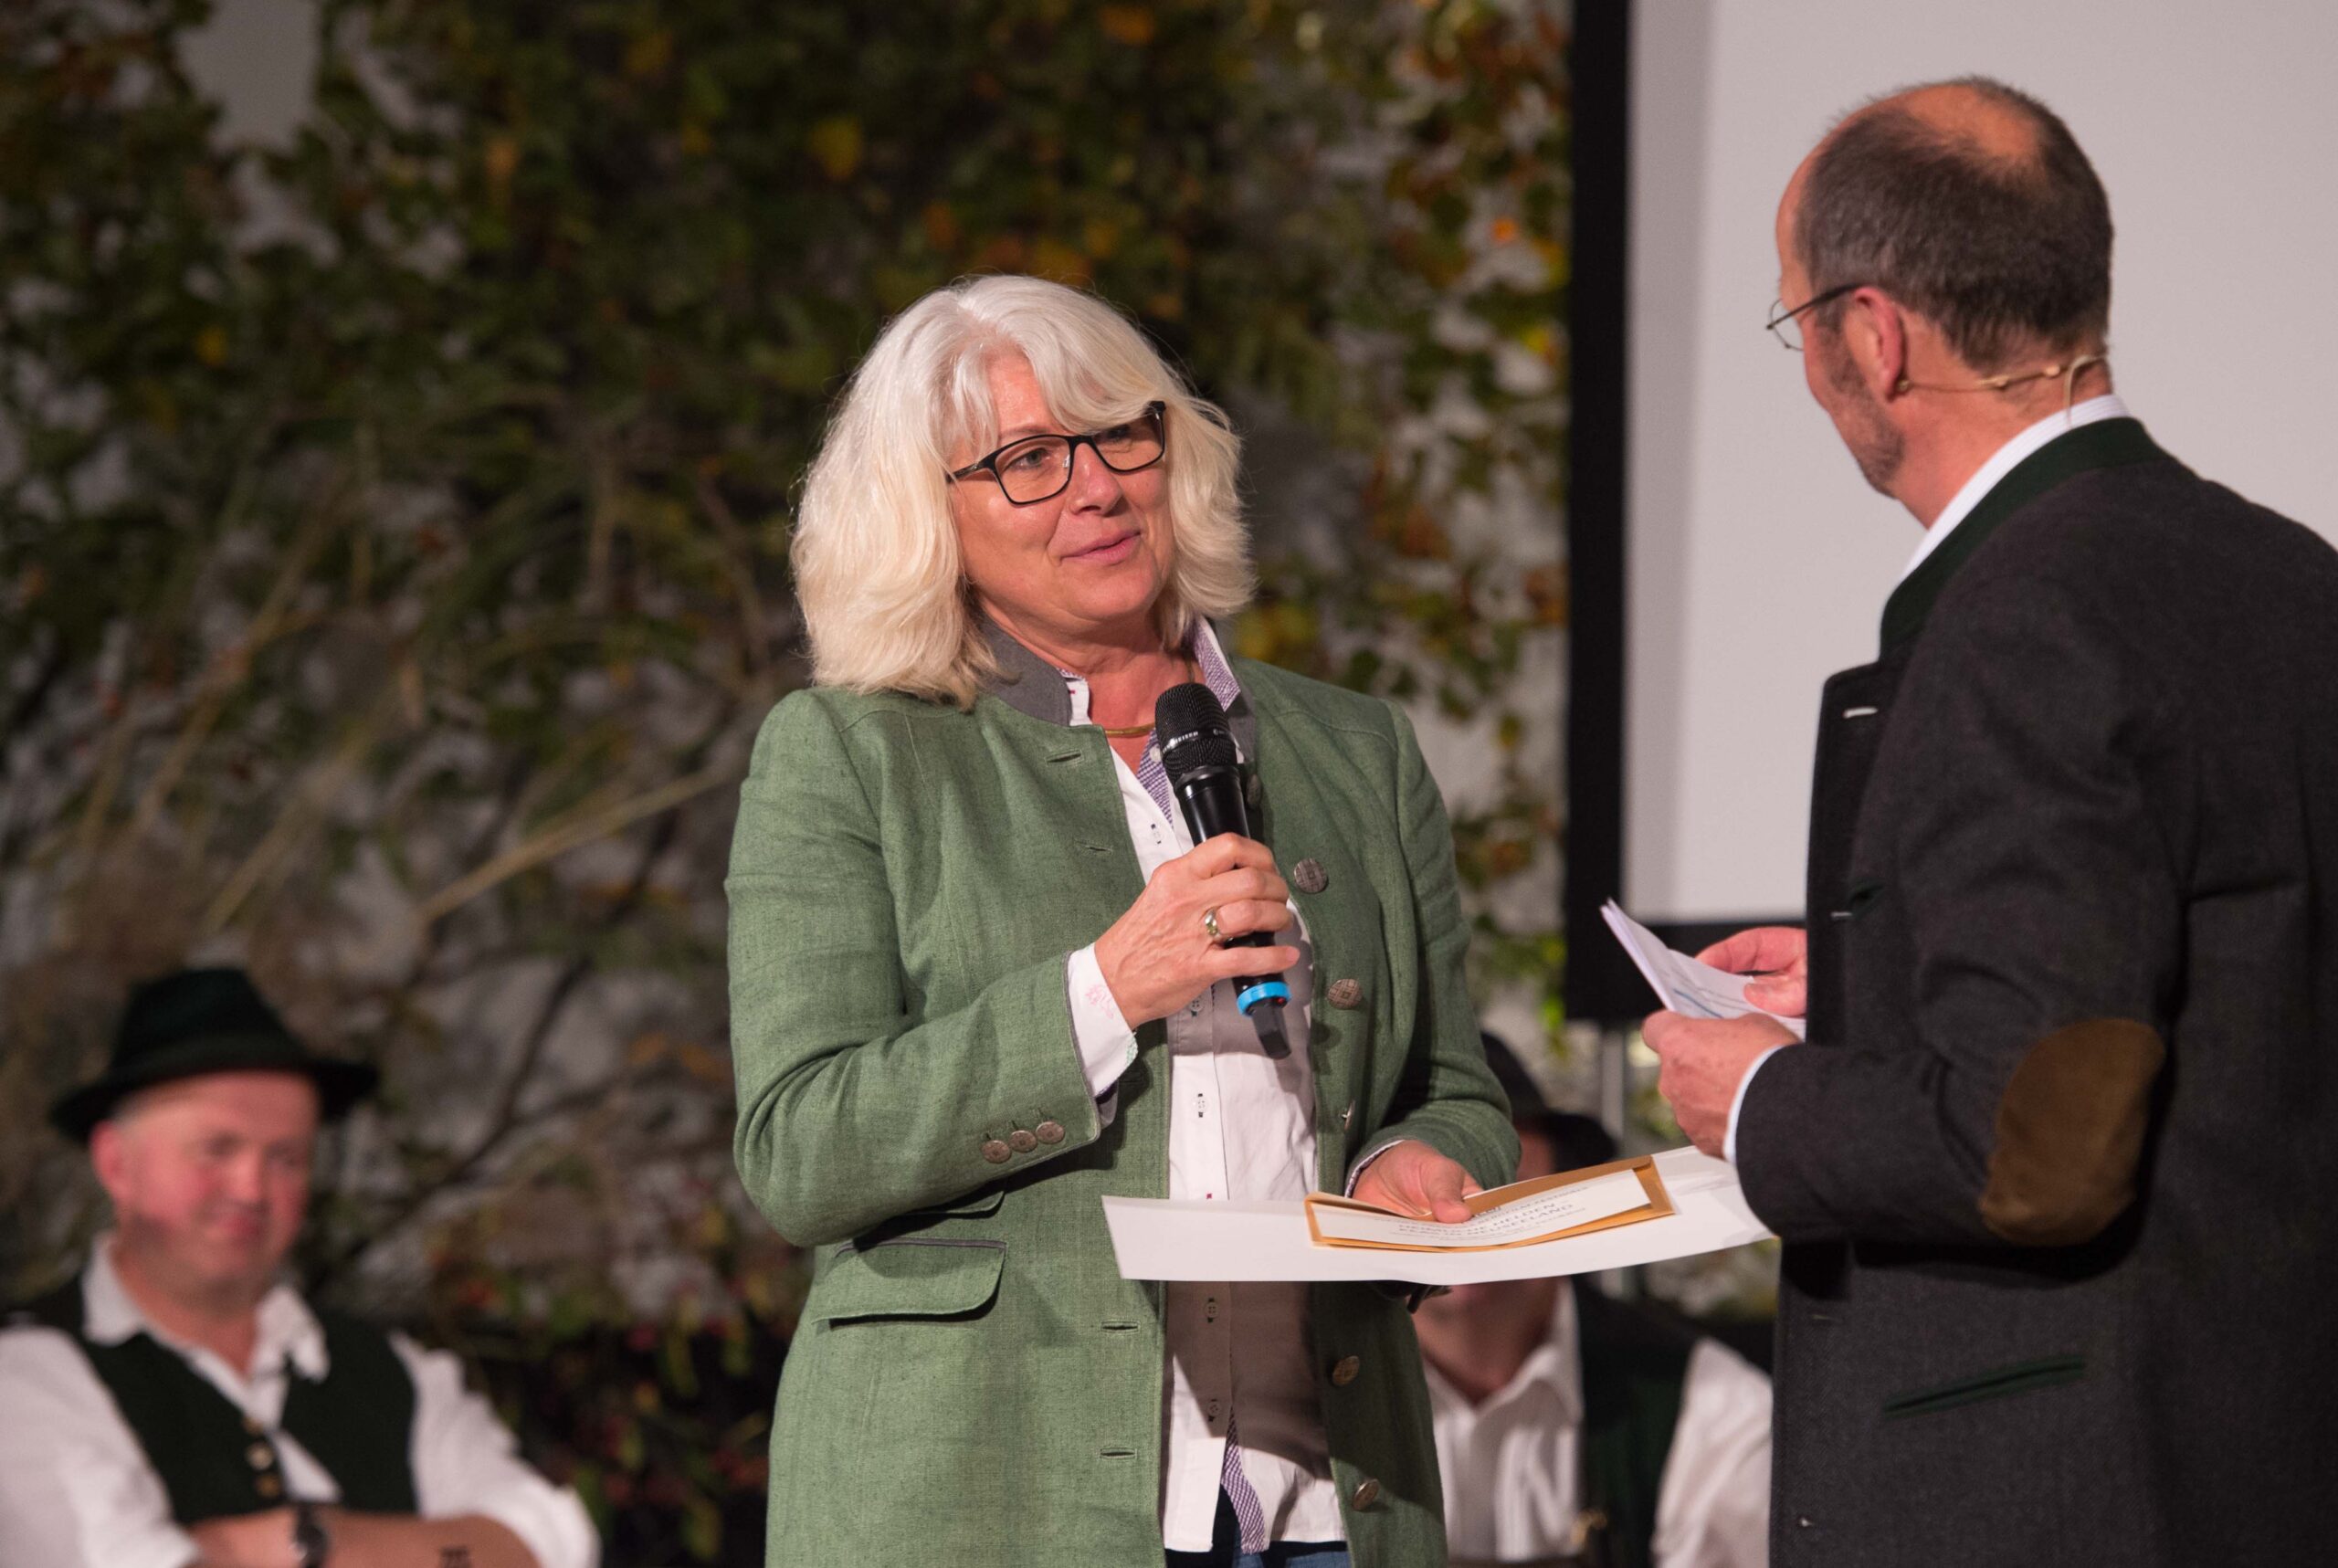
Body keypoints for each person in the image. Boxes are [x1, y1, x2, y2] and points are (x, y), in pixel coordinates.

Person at [1642, 77, 2338, 1566]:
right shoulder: (2292, 579)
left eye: (1797, 324)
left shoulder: (2017, 615)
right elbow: (2225, 996)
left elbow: (2039, 1151)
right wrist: (1889, 997)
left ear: (1874, 335)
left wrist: (1765, 1101)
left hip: (2061, 1494)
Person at [726, 273, 1517, 1568]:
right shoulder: (851, 755)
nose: (1096, 486)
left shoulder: (1353, 749)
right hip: (986, 1505)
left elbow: (1451, 1088)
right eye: (1028, 459)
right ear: (927, 514)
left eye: (1119, 435)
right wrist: (1103, 989)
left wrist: (1412, 1165)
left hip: (1326, 1502)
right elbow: (802, 1149)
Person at [0, 968, 598, 1568]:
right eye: (218, 1149)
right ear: (116, 1163)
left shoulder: (395, 1373)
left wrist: (304, 1540)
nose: (252, 1188)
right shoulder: (25, 1374)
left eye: (286, 1157)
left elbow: (545, 1540)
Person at [1416, 1036, 1769, 1568]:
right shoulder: (1294, 1397)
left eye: (1491, 1148)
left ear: (1559, 1179)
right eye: (1415, 1157)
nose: (1454, 1191)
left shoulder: (1709, 1404)